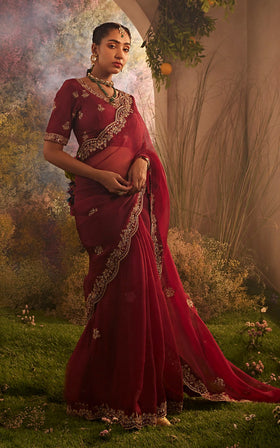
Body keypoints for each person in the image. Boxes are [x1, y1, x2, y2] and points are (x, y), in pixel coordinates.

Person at [43, 22, 280, 430]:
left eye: (125, 47)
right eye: (111, 45)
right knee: (114, 291)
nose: (119, 53)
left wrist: (142, 161)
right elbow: (51, 151)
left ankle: (138, 388)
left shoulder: (129, 101)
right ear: (95, 48)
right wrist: (99, 177)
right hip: (99, 205)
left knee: (138, 288)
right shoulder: (72, 91)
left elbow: (145, 148)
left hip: (134, 204)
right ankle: (110, 389)